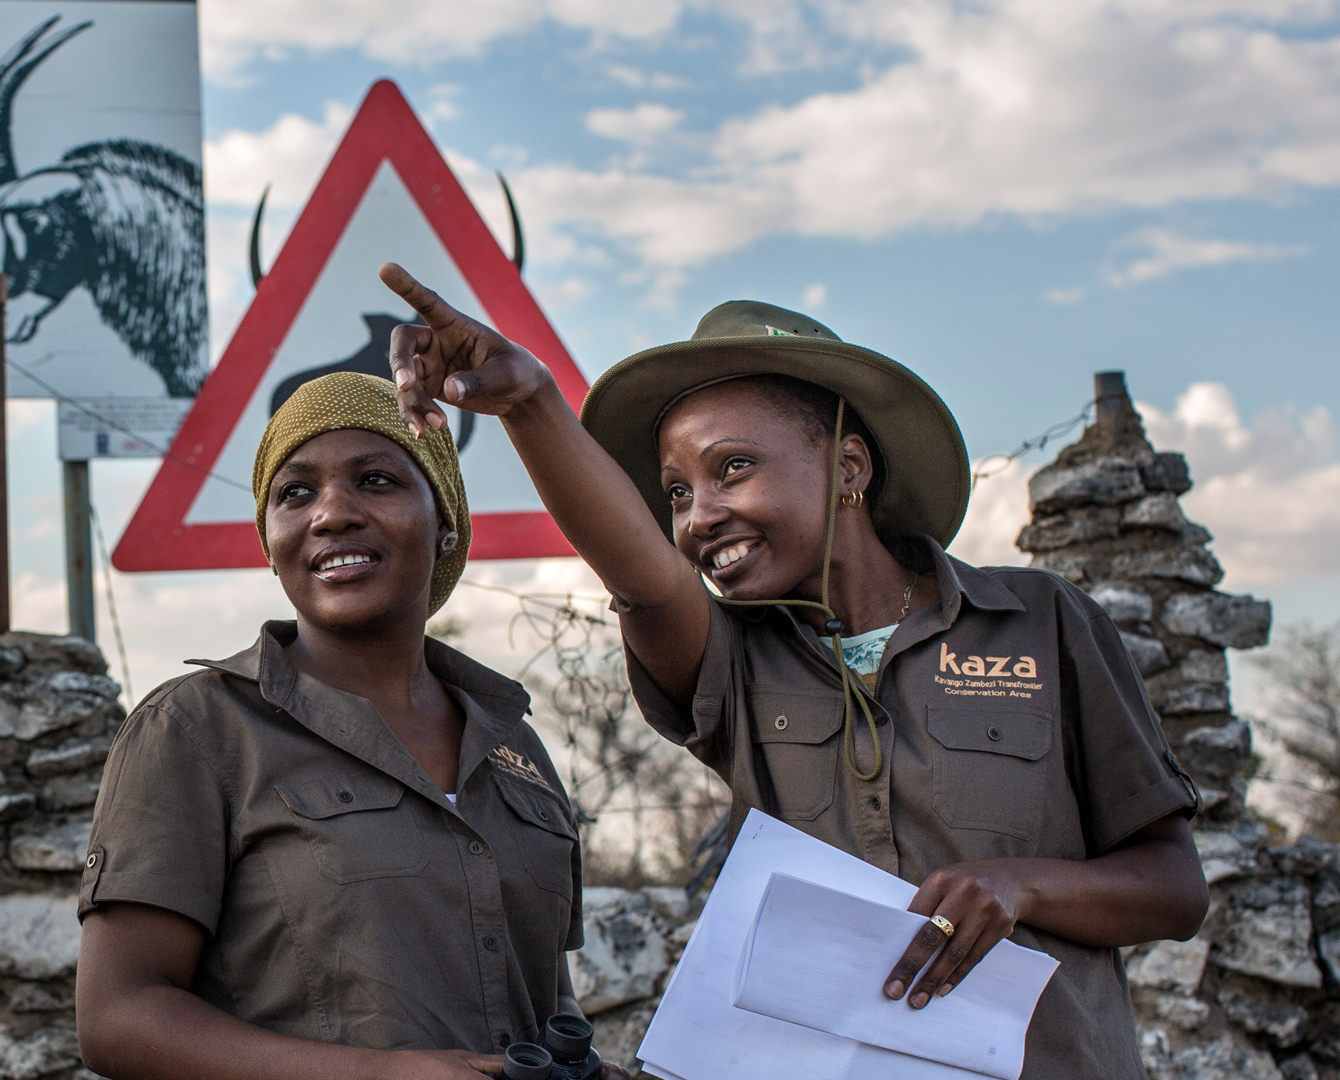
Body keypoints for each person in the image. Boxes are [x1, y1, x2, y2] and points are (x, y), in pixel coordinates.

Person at [377, 263, 1209, 1079]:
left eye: (733, 467)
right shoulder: (732, 660)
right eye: (675, 492)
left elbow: (1174, 888)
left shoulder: (1042, 622)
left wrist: (1023, 887)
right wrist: (529, 403)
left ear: (849, 467)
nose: (700, 516)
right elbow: (640, 576)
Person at [75, 372, 618, 1080]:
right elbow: (119, 1019)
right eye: (294, 492)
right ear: (270, 541)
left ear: (445, 515)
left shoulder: (513, 742)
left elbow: (547, 999)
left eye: (376, 479)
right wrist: (379, 1075)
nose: (332, 513)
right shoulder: (196, 729)